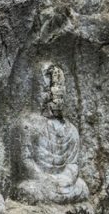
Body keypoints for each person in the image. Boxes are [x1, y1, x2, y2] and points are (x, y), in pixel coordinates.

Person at [14, 63, 88, 204]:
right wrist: (46, 179)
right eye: (46, 91)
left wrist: (67, 179)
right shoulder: (27, 125)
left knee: (82, 187)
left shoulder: (71, 129)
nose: (53, 98)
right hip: (40, 182)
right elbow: (25, 162)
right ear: (36, 92)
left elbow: (73, 163)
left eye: (60, 93)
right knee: (26, 189)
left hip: (64, 183)